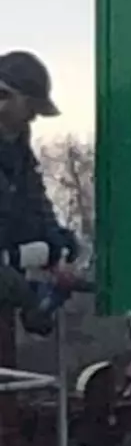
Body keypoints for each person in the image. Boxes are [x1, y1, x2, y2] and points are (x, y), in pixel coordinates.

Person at [0, 51, 80, 336]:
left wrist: (57, 245)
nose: (33, 117)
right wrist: (29, 296)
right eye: (31, 105)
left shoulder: (17, 147)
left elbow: (34, 199)